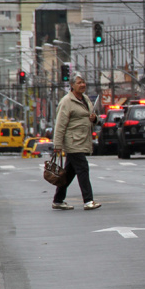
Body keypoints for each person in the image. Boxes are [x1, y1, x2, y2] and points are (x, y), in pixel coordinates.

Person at [51, 75, 100, 210]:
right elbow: (60, 124)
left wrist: (94, 119)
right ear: (72, 85)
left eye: (83, 82)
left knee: (69, 173)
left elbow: (93, 117)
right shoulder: (66, 101)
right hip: (72, 142)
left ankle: (58, 200)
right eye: (79, 83)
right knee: (83, 168)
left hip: (83, 140)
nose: (82, 85)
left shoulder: (85, 99)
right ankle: (88, 200)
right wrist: (57, 145)